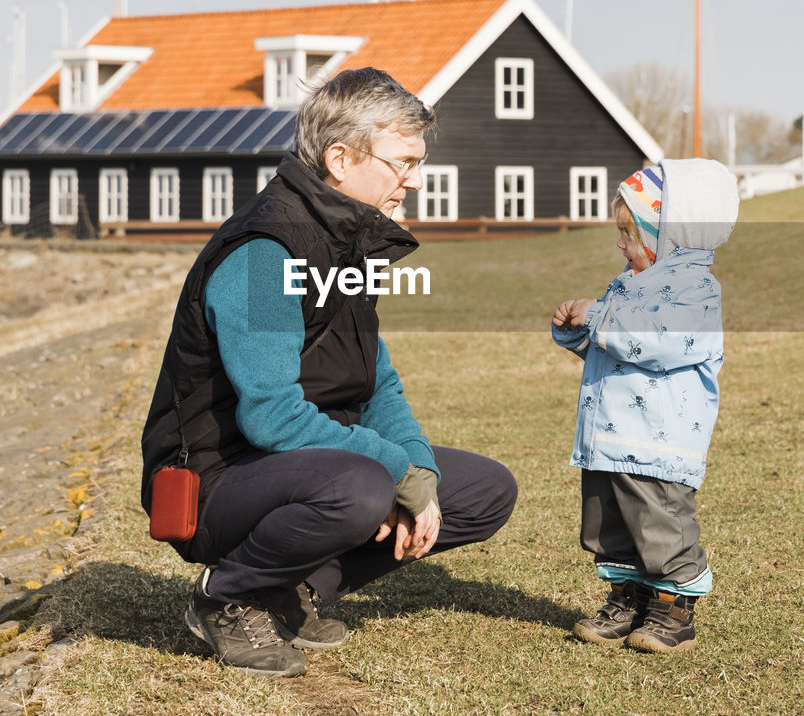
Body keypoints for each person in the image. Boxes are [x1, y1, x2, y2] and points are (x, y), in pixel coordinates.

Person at [140, 67, 517, 677]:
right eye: (402, 163)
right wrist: (395, 475)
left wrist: (416, 467)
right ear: (340, 158)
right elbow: (270, 414)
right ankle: (228, 596)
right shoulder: (265, 253)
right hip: (215, 481)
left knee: (483, 490)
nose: (414, 182)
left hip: (309, 469)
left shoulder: (346, 245)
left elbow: (377, 382)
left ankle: (295, 586)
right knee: (363, 487)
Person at [551, 159, 738, 653]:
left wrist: (600, 316)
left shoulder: (697, 292)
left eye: (628, 233)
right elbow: (610, 343)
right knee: (609, 524)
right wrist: (578, 331)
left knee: (661, 524)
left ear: (667, 236)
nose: (620, 244)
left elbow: (654, 341)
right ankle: (626, 599)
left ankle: (673, 611)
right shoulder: (628, 284)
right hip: (609, 435)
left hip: (658, 439)